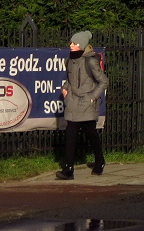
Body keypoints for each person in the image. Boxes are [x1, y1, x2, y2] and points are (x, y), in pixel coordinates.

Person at [57, 31, 108, 180]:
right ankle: (68, 169)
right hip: (73, 102)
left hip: (86, 103)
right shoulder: (70, 60)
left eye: (74, 43)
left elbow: (104, 81)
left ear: (81, 44)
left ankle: (100, 161)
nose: (71, 45)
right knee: (70, 135)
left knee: (91, 134)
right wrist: (66, 88)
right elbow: (70, 78)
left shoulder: (90, 61)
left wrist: (92, 97)